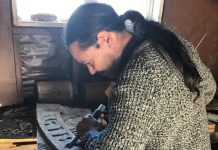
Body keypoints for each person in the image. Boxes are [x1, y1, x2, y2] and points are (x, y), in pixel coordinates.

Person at [64, 2, 217, 150]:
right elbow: (209, 89)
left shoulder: (135, 81)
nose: (91, 71)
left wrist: (89, 132)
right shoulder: (170, 42)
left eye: (89, 62)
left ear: (105, 38)